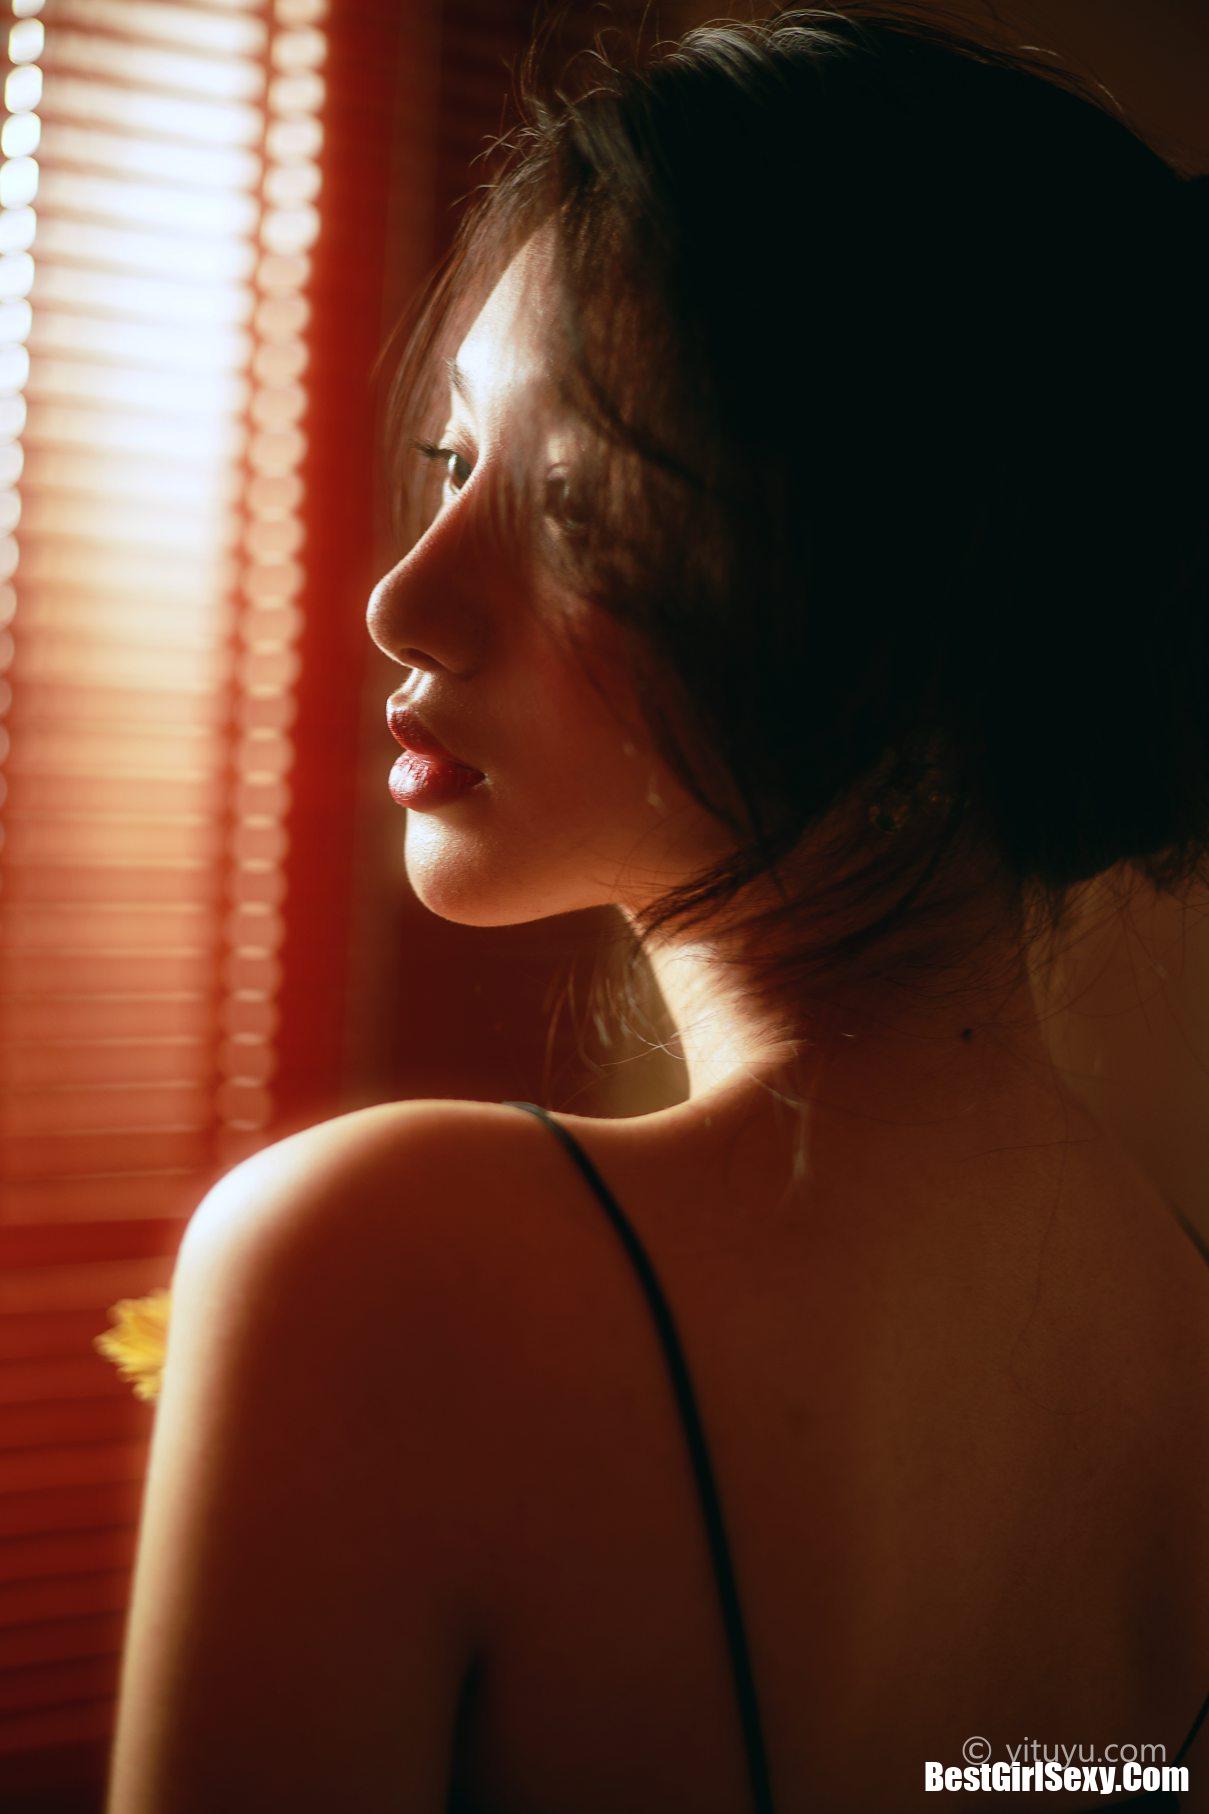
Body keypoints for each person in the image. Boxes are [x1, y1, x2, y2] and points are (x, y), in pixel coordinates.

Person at [102, 7, 1209, 1810]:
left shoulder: (378, 1265)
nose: (403, 599)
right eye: (455, 462)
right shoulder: (1175, 1327)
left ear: (901, 597)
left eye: (576, 498)